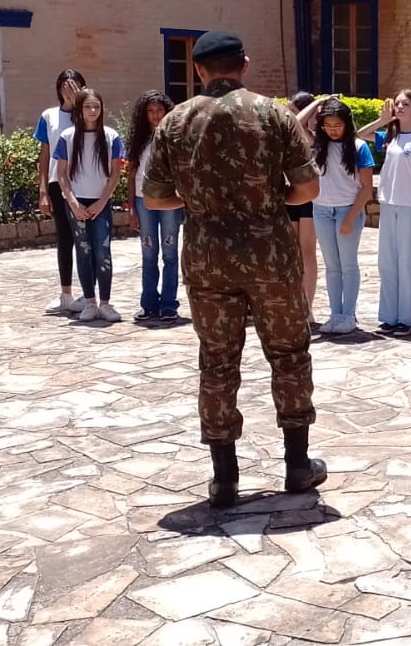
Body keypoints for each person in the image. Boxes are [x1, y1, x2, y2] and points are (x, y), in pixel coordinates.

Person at [141, 30, 326, 507]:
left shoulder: (176, 122)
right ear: (243, 64)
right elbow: (308, 189)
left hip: (208, 259)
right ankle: (298, 465)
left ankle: (224, 476)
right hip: (271, 257)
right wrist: (266, 200)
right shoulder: (273, 115)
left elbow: (155, 196)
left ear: (199, 70)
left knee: (218, 362)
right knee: (288, 355)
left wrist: (203, 205)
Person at [358, 90, 411, 336]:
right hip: (388, 203)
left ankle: (406, 318)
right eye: (397, 104)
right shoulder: (391, 136)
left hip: (410, 204)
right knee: (387, 262)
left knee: (407, 262)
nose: (400, 107)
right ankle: (389, 316)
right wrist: (383, 120)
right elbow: (358, 136)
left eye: (405, 104)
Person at [53, 88, 126, 324]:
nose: (92, 111)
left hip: (100, 203)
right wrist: (72, 203)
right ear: (79, 109)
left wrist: (102, 201)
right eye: (87, 107)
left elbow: (115, 174)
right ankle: (90, 301)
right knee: (83, 252)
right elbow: (62, 174)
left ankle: (105, 303)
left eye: (96, 106)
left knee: (102, 252)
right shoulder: (67, 136)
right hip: (77, 204)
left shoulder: (111, 136)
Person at [311, 99, 375, 336]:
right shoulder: (318, 146)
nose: (332, 130)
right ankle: (335, 313)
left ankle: (348, 313)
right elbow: (295, 124)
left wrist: (350, 217)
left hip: (348, 209)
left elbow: (366, 188)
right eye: (327, 125)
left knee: (348, 265)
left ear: (346, 124)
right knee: (331, 266)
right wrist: (317, 104)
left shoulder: (359, 147)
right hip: (322, 210)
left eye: (337, 125)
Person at [126, 90, 183, 323]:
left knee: (170, 253)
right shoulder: (139, 140)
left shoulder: (175, 137)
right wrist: (130, 207)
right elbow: (130, 175)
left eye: (159, 110)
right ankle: (149, 303)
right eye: (150, 111)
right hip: (143, 200)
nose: (155, 115)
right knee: (149, 253)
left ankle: (169, 304)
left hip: (169, 200)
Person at [36, 69, 87, 315]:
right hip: (59, 183)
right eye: (65, 86)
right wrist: (43, 190)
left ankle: (89, 294)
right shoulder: (49, 116)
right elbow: (45, 156)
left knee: (86, 240)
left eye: (75, 85)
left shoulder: (88, 114)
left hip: (86, 183)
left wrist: (80, 105)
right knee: (64, 239)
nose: (69, 90)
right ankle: (65, 293)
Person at [287, 92, 322, 320]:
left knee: (307, 251)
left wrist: (317, 103)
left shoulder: (314, 136)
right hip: (291, 194)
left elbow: (297, 124)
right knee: (291, 252)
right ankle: (293, 303)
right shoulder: (288, 134)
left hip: (310, 196)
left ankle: (307, 308)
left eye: (291, 109)